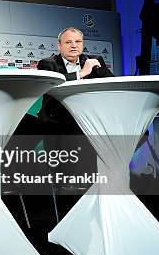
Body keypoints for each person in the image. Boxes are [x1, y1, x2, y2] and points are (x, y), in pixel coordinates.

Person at [37, 27, 114, 195]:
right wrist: (82, 73)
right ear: (59, 46)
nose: (74, 46)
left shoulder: (95, 60)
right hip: (57, 124)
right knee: (62, 177)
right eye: (68, 42)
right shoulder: (47, 64)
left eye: (78, 42)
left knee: (88, 175)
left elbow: (113, 85)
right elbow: (51, 87)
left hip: (87, 123)